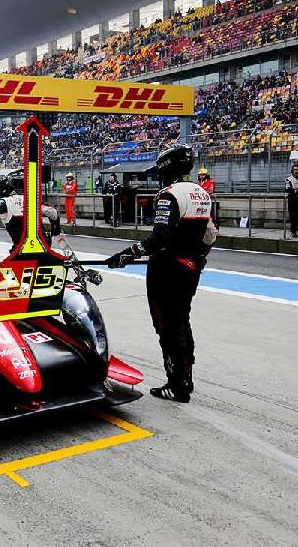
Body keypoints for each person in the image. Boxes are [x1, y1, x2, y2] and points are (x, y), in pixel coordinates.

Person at [105, 145, 217, 403]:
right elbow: (210, 233)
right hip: (191, 267)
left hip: (166, 269)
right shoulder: (202, 193)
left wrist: (128, 253)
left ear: (165, 168)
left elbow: (161, 237)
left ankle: (176, 385)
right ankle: (185, 378)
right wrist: (198, 256)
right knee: (182, 321)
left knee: (166, 326)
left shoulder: (168, 194)